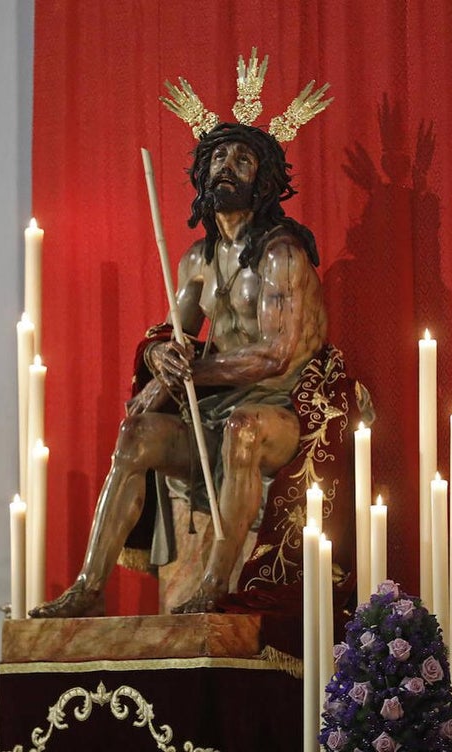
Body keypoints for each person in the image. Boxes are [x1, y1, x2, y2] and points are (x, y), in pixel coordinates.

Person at [32, 121, 343, 618]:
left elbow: (274, 356)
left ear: (262, 182)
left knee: (243, 429)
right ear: (202, 175)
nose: (227, 169)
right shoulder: (197, 260)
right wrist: (159, 358)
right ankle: (89, 588)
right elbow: (174, 332)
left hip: (279, 413)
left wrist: (187, 375)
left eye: (242, 161)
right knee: (137, 433)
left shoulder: (280, 255)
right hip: (216, 412)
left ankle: (216, 587)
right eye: (218, 160)